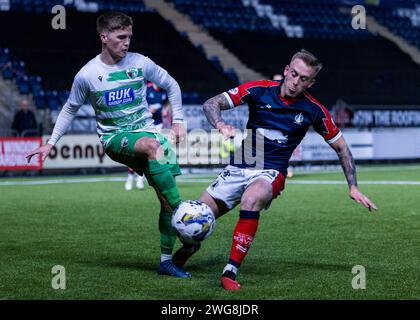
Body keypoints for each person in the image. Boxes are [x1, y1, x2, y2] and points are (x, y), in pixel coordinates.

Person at [172, 49, 378, 290]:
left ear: (311, 82)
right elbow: (211, 104)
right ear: (286, 71)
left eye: (304, 79)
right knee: (196, 217)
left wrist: (353, 186)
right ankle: (189, 247)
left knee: (251, 199)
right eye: (294, 74)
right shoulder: (259, 89)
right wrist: (220, 124)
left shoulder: (314, 110)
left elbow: (342, 149)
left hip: (271, 171)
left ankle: (230, 271)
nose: (296, 82)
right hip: (240, 164)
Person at [26, 11, 190, 278]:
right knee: (153, 148)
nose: (127, 42)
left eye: (129, 37)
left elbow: (172, 84)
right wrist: (51, 142)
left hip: (149, 133)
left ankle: (166, 260)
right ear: (104, 37)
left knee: (166, 203)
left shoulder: (140, 63)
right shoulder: (88, 74)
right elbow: (70, 109)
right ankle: (188, 218)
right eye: (121, 37)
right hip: (115, 139)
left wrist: (179, 120)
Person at [124, 82, 168, 191]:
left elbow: (166, 103)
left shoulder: (163, 92)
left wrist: (165, 109)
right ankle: (130, 177)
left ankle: (140, 178)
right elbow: (135, 103)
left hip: (157, 124)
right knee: (136, 152)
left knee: (151, 152)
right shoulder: (146, 88)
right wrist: (147, 109)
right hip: (142, 124)